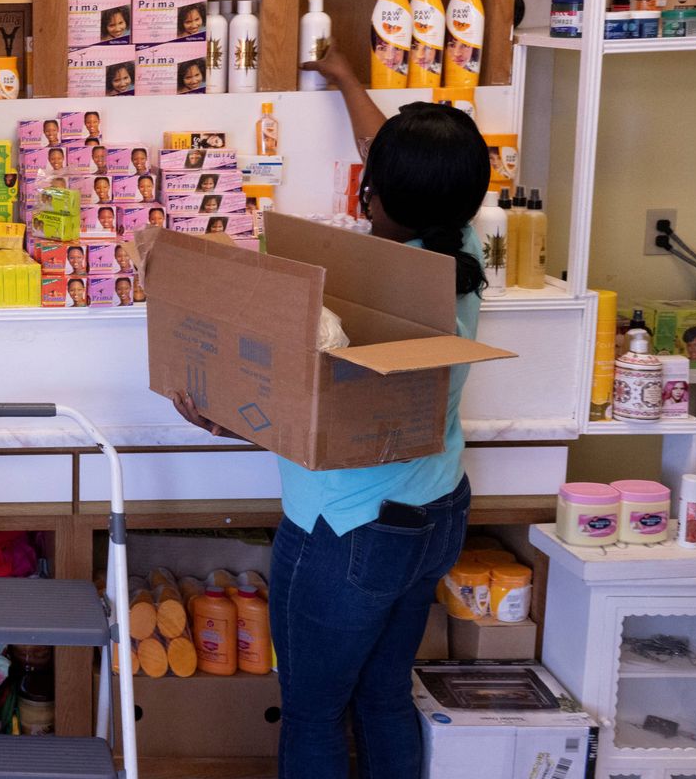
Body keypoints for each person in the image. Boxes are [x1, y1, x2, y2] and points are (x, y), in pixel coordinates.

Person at [173, 44, 492, 779]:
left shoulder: (379, 291)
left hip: (349, 526)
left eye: (369, 187)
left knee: (314, 712)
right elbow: (389, 151)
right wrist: (345, 75)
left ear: (380, 196)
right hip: (438, 509)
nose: (362, 195)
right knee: (383, 697)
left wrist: (226, 419)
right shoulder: (459, 243)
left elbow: (325, 418)